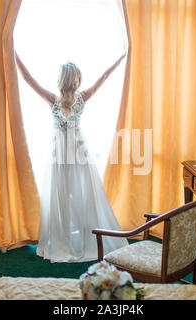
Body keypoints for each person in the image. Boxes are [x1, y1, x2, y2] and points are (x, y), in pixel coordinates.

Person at [15, 52, 128, 262]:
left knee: (65, 195)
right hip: (73, 153)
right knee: (78, 194)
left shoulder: (55, 100)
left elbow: (27, 78)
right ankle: (76, 238)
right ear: (76, 79)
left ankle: (71, 237)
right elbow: (103, 77)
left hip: (66, 154)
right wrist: (119, 60)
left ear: (61, 80)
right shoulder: (78, 98)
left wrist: (13, 54)